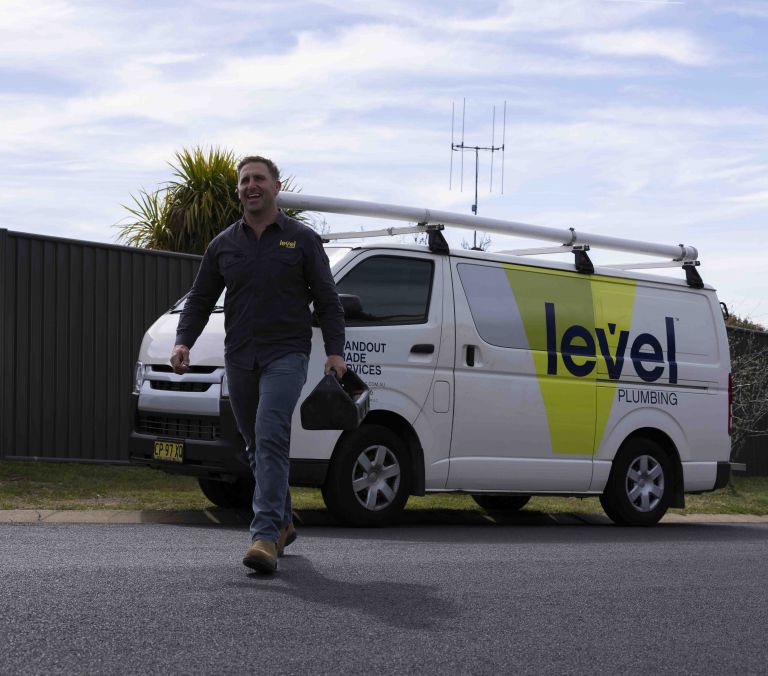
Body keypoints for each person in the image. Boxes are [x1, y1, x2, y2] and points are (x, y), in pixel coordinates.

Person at [170, 155, 346, 574]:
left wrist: (335, 351)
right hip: (240, 356)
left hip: (287, 353)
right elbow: (199, 299)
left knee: (269, 434)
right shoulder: (223, 245)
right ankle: (283, 522)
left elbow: (327, 300)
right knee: (255, 444)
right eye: (245, 180)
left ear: (276, 186)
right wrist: (183, 342)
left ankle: (264, 536)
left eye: (259, 179)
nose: (252, 186)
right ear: (239, 190)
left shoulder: (302, 239)